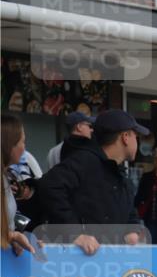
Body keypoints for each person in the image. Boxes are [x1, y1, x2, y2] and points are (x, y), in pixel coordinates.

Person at [35, 109, 146, 255]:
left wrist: (132, 229)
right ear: (125, 137)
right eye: (135, 136)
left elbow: (128, 211)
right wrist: (75, 234)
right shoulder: (84, 162)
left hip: (108, 265)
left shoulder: (120, 175)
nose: (136, 142)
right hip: (77, 264)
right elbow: (48, 186)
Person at [1, 113, 38, 256]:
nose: (24, 148)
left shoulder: (5, 176)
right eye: (22, 141)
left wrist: (13, 238)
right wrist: (12, 236)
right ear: (9, 144)